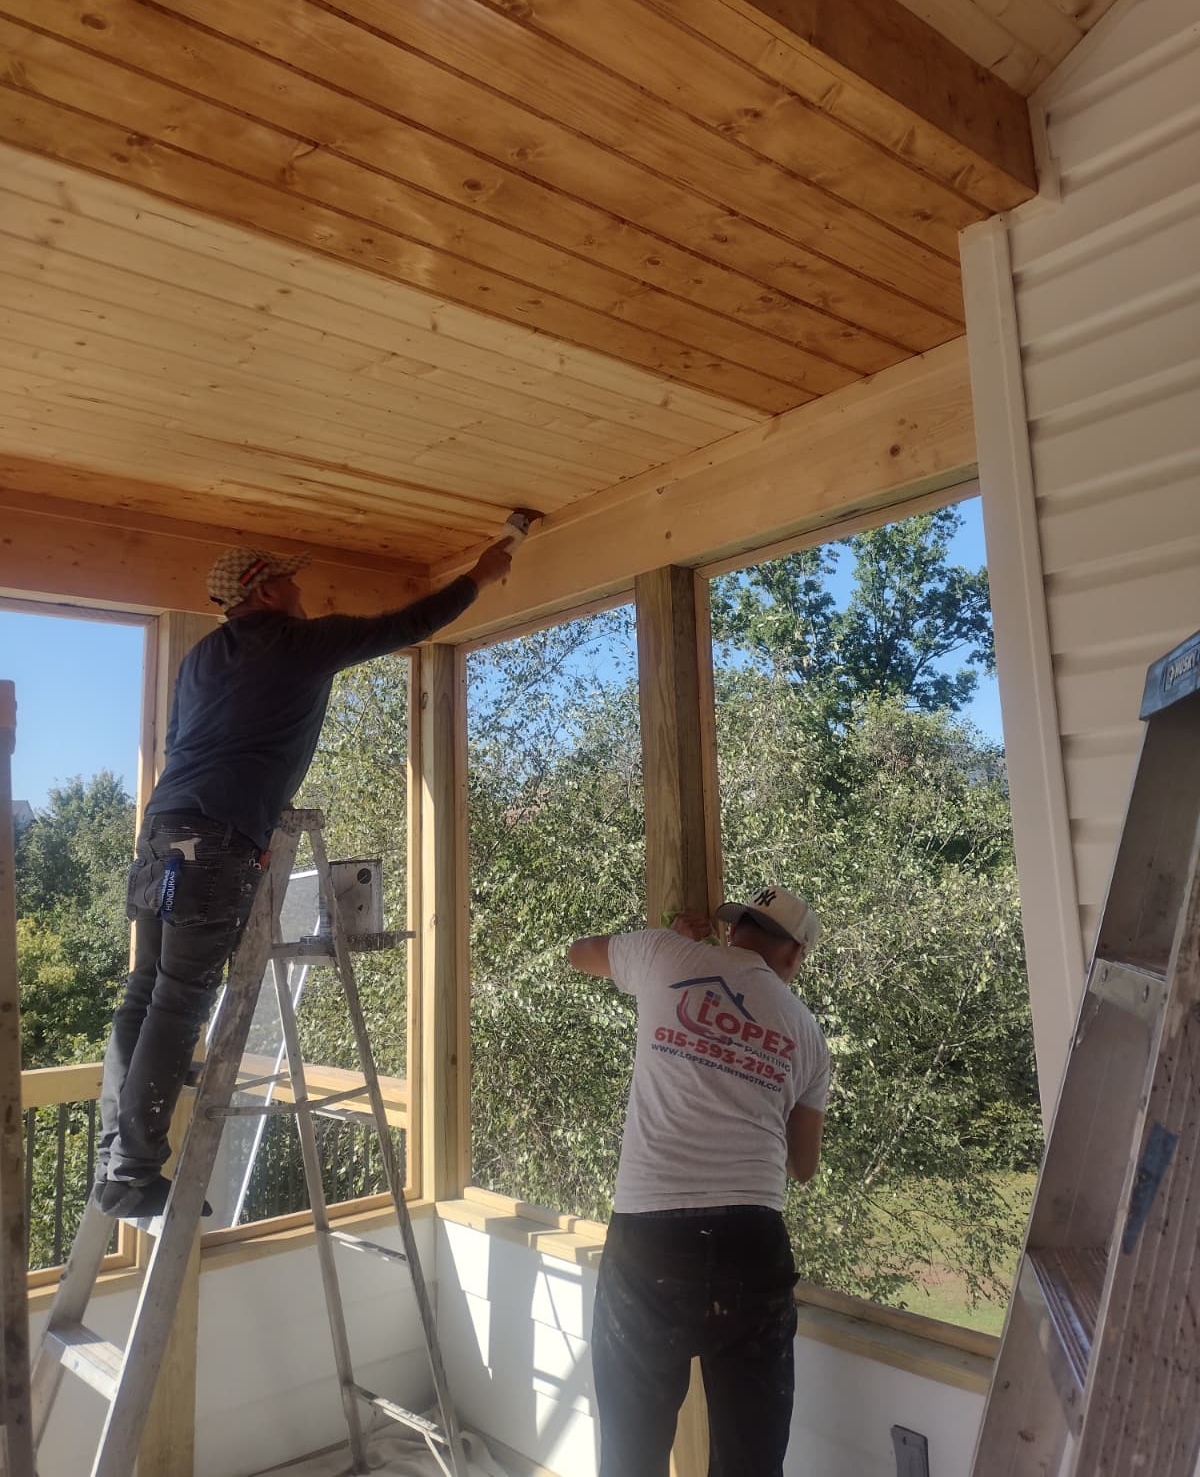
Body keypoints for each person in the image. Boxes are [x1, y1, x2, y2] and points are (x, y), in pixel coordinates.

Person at [95, 536, 515, 1219]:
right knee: (177, 1001)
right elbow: (409, 624)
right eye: (288, 582)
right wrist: (480, 575)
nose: (299, 591)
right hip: (216, 840)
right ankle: (136, 1172)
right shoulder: (297, 643)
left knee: (144, 993)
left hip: (161, 832)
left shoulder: (201, 656)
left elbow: (179, 743)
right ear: (265, 591)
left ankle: (114, 1163)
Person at [568, 885, 829, 1477]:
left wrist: (672, 947)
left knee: (632, 1455)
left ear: (735, 930)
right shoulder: (808, 1033)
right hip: (752, 1245)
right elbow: (803, 1166)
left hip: (650, 1244)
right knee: (750, 1460)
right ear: (795, 954)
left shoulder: (665, 954)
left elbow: (578, 953)